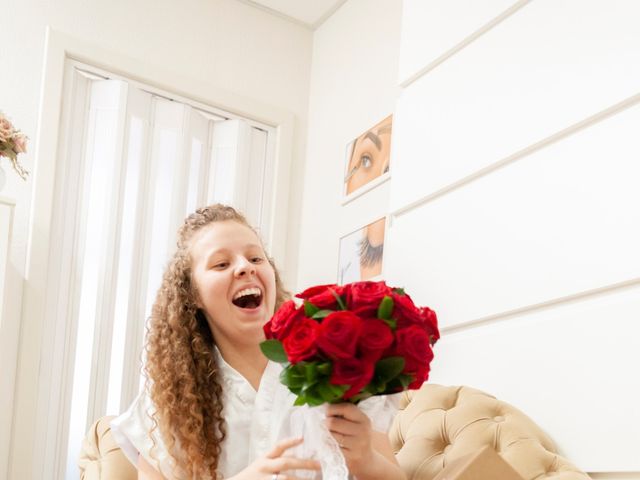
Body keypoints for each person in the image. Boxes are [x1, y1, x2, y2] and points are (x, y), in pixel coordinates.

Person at [111, 204, 406, 480]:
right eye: (221, 264)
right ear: (193, 295)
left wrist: (366, 458)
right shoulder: (166, 399)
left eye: (255, 258)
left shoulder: (333, 366)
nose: (245, 267)